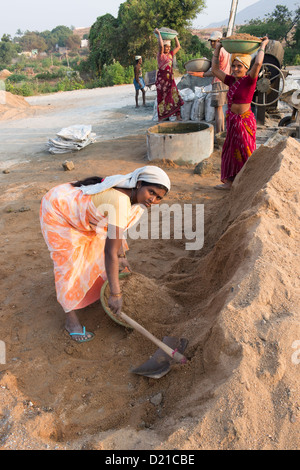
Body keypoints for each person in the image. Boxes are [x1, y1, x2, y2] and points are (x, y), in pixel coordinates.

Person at [40, 166, 170, 342]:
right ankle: (71, 321)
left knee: (96, 246)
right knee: (67, 263)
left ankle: (91, 291)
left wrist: (122, 255)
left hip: (87, 216)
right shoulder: (120, 201)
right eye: (151, 192)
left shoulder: (134, 199)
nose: (153, 199)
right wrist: (116, 294)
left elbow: (115, 228)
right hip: (60, 210)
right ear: (139, 184)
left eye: (158, 198)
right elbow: (110, 251)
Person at [211, 36, 269, 189]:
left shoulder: (250, 80)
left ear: (246, 68)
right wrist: (218, 47)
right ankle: (230, 182)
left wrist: (263, 45)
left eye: (239, 66)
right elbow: (215, 70)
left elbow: (258, 63)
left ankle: (249, 183)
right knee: (230, 151)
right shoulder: (231, 80)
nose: (236, 69)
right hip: (232, 122)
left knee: (246, 150)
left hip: (244, 122)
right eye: (234, 65)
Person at [188, 31, 230, 133]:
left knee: (218, 110)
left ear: (219, 41)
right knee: (220, 109)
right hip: (225, 81)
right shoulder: (227, 51)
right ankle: (221, 132)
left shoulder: (219, 52)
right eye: (211, 42)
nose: (212, 44)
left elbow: (214, 71)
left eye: (214, 42)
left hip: (218, 82)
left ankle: (219, 133)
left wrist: (200, 74)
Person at [154, 28, 184, 121]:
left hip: (170, 80)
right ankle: (161, 117)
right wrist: (159, 34)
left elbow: (178, 46)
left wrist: (175, 37)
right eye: (166, 46)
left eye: (168, 47)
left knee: (175, 96)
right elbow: (160, 47)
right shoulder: (160, 55)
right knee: (161, 99)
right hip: (162, 82)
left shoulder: (171, 54)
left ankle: (178, 116)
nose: (167, 48)